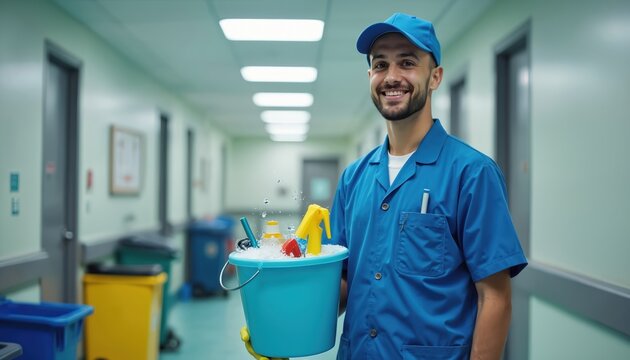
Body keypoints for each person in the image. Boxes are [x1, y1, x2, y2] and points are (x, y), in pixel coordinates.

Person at [242, 12, 527, 360]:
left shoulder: (472, 174)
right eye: (380, 65)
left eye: (407, 62)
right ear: (370, 76)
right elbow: (344, 283)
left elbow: (495, 297)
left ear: (435, 76)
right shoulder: (354, 178)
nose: (392, 77)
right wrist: (282, 326)